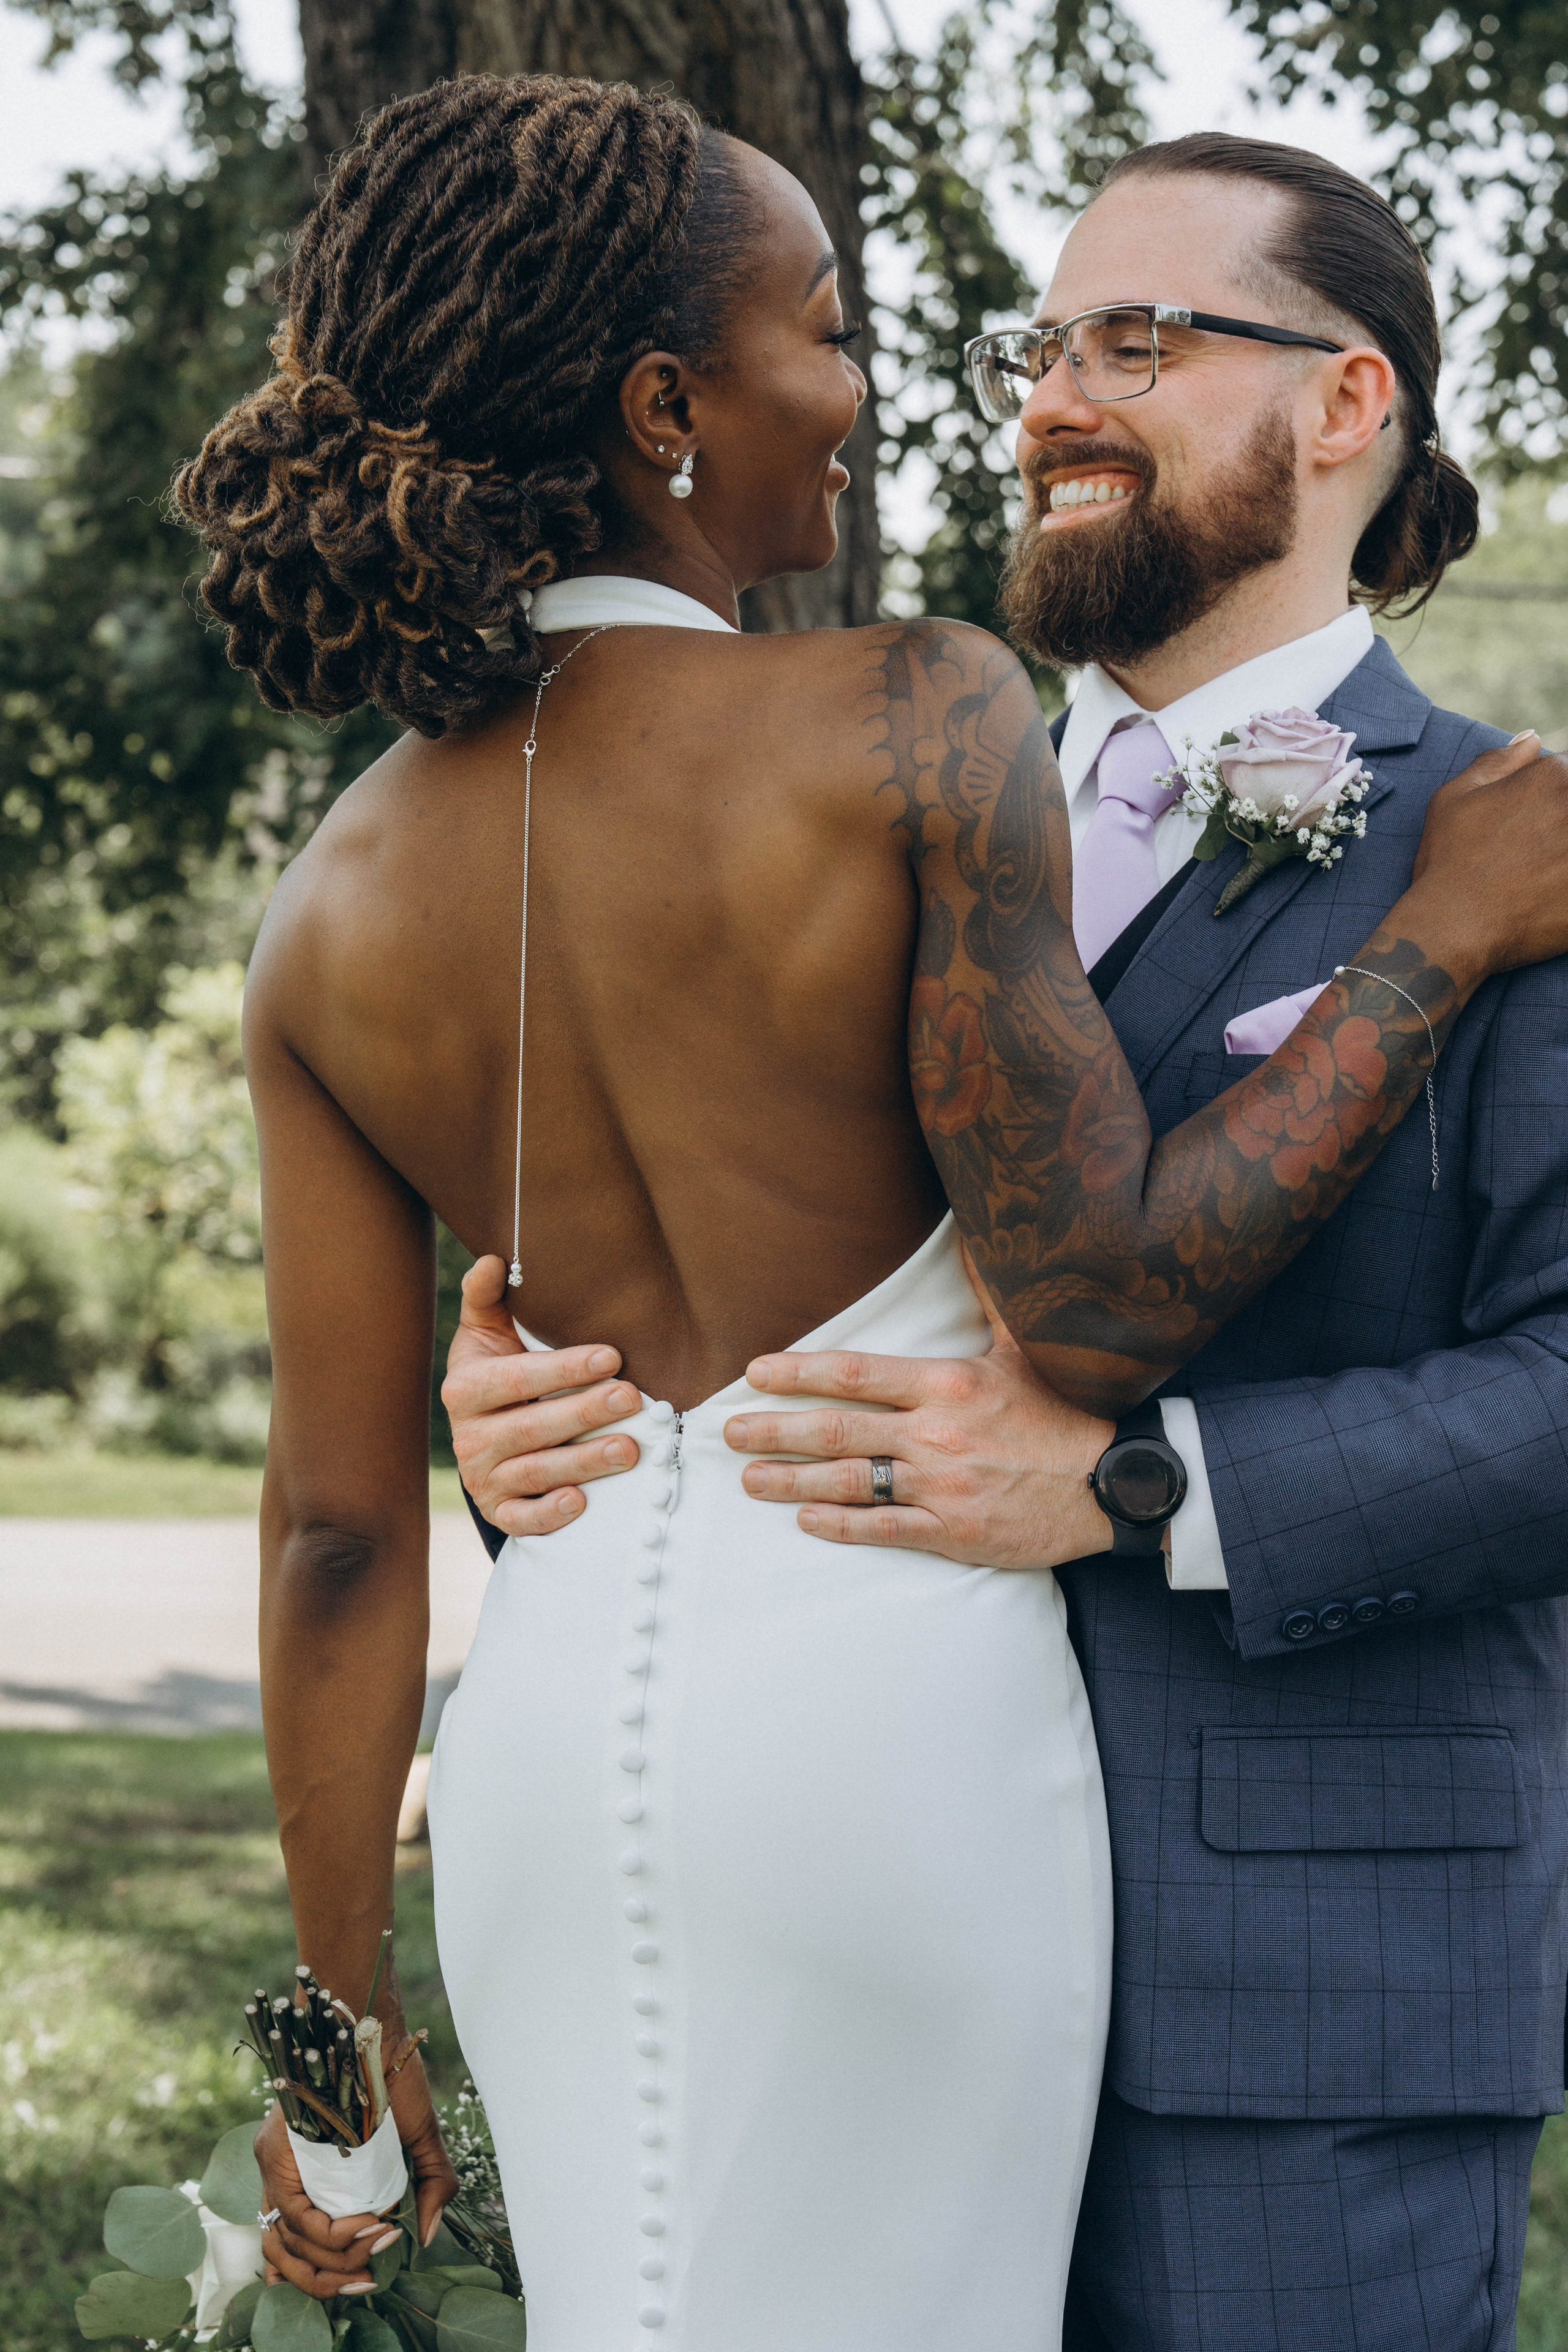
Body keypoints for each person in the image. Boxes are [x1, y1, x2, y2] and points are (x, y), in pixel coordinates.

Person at [176, 79, 1568, 2347]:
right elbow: (1012, 1281)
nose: (1031, 397)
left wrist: (1135, 1488)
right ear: (665, 406)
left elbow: (333, 1535)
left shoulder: (1514, 826)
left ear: (1349, 404)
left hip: (1277, 1997)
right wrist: (530, 1417)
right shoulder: (920, 732)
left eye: (1135, 342)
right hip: (904, 1804)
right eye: (1038, 344)